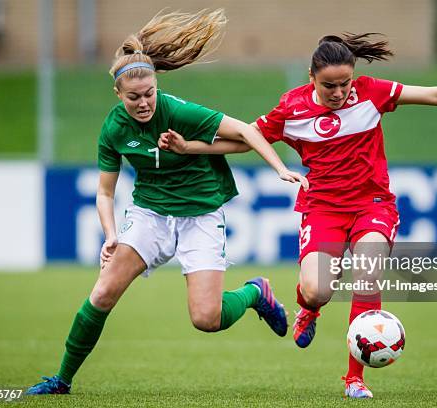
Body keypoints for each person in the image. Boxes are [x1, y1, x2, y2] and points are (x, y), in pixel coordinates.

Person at [159, 32, 437, 399]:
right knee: (316, 290)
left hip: (372, 205)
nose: (339, 92)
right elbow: (247, 138)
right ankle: (308, 308)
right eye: (329, 85)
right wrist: (190, 147)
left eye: (345, 83)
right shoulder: (292, 108)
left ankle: (355, 378)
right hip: (322, 209)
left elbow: (433, 94)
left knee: (368, 272)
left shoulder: (372, 92)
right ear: (311, 76)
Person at [25, 9, 308, 395]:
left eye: (149, 94)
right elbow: (105, 192)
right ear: (118, 94)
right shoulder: (114, 128)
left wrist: (278, 167)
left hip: (201, 213)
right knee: (103, 292)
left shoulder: (178, 111)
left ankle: (256, 292)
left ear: (157, 86)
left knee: (206, 318)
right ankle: (61, 381)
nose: (143, 104)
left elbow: (245, 132)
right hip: (150, 213)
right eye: (133, 98)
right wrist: (110, 235)